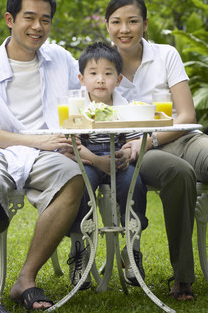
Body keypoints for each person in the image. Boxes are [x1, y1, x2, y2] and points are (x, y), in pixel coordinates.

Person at [0, 0, 85, 313]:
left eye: (45, 19)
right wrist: (36, 140)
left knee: (74, 177)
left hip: (45, 153)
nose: (37, 27)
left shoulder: (62, 60)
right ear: (9, 19)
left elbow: (83, 106)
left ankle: (25, 279)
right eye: (29, 17)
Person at [104, 0, 208, 301]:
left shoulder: (165, 54)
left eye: (132, 21)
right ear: (107, 26)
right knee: (179, 172)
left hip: (180, 137)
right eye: (116, 22)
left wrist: (153, 137)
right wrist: (139, 144)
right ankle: (183, 278)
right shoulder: (100, 63)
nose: (125, 29)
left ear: (145, 24)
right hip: (137, 151)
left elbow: (187, 115)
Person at [67, 42, 148, 289]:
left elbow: (135, 139)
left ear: (119, 78)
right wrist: (98, 160)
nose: (100, 80)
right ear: (82, 78)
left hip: (118, 161)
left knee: (135, 183)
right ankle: (78, 248)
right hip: (89, 159)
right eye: (93, 73)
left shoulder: (126, 107)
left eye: (108, 73)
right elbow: (73, 144)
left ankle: (132, 247)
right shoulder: (77, 106)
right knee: (79, 185)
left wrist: (127, 152)